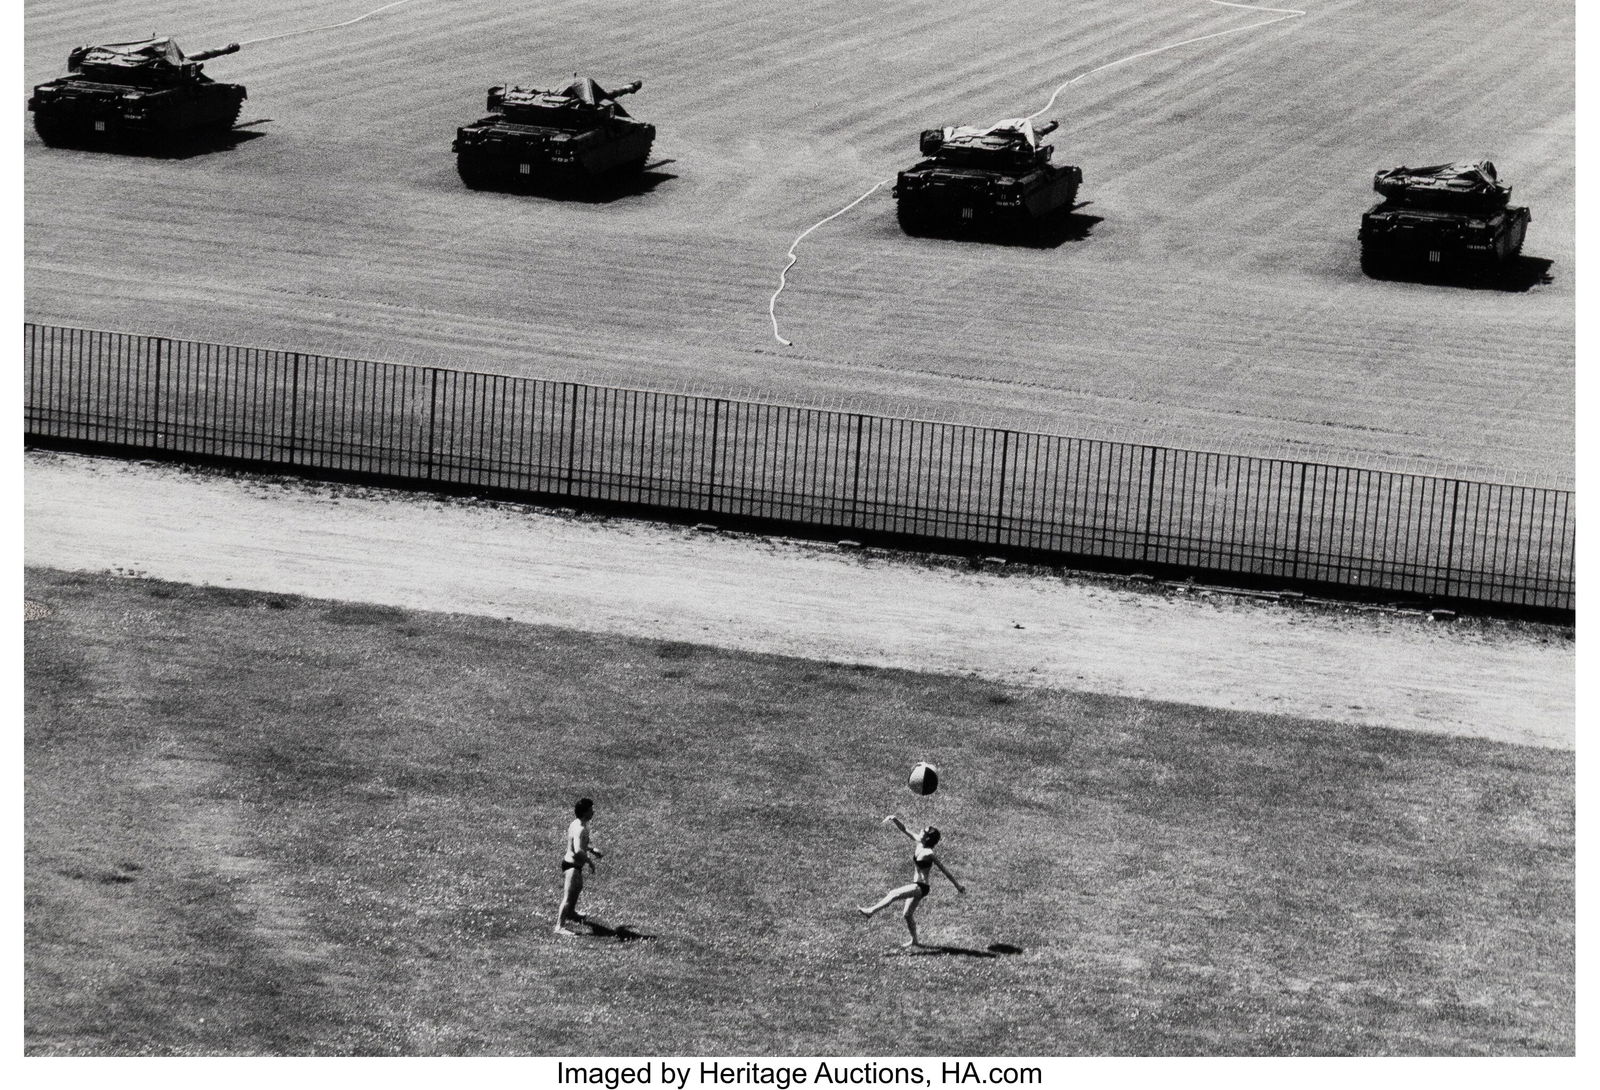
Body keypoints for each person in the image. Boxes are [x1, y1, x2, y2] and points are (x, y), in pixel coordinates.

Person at [858, 815, 964, 946]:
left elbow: (945, 871)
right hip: (917, 885)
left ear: (927, 838)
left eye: (923, 832)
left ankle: (870, 911)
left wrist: (958, 886)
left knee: (893, 893)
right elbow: (905, 829)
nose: (920, 831)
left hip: (921, 887)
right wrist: (894, 819)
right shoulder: (919, 842)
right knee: (907, 915)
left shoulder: (929, 853)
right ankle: (915, 941)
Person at [555, 797, 604, 935]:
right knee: (568, 896)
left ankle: (571, 913)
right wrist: (590, 862)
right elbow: (578, 850)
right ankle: (559, 926)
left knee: (578, 887)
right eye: (591, 810)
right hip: (572, 866)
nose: (593, 812)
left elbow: (579, 844)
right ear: (584, 813)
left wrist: (592, 849)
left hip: (572, 865)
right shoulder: (581, 829)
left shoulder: (576, 823)